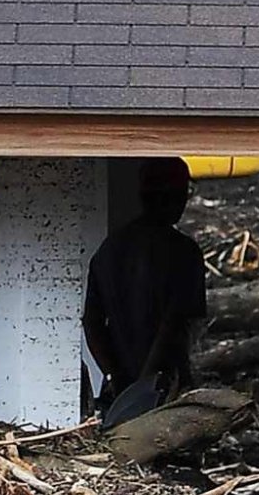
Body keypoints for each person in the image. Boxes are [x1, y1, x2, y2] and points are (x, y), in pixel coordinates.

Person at [82, 158, 207, 425]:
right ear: (175, 197)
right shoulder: (184, 253)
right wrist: (147, 382)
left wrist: (115, 377)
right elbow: (176, 323)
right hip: (165, 392)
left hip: (119, 394)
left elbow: (92, 323)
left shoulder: (109, 250)